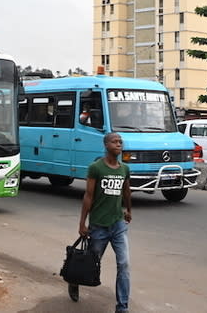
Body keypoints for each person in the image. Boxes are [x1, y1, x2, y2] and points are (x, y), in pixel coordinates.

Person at [71, 132, 132, 311]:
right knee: (90, 262)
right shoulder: (96, 168)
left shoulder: (124, 169)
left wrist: (128, 210)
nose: (119, 144)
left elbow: (126, 192)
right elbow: (88, 196)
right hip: (98, 226)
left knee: (124, 264)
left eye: (120, 141)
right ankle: (74, 281)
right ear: (106, 145)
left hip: (118, 225)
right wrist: (82, 223)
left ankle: (122, 307)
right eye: (115, 142)